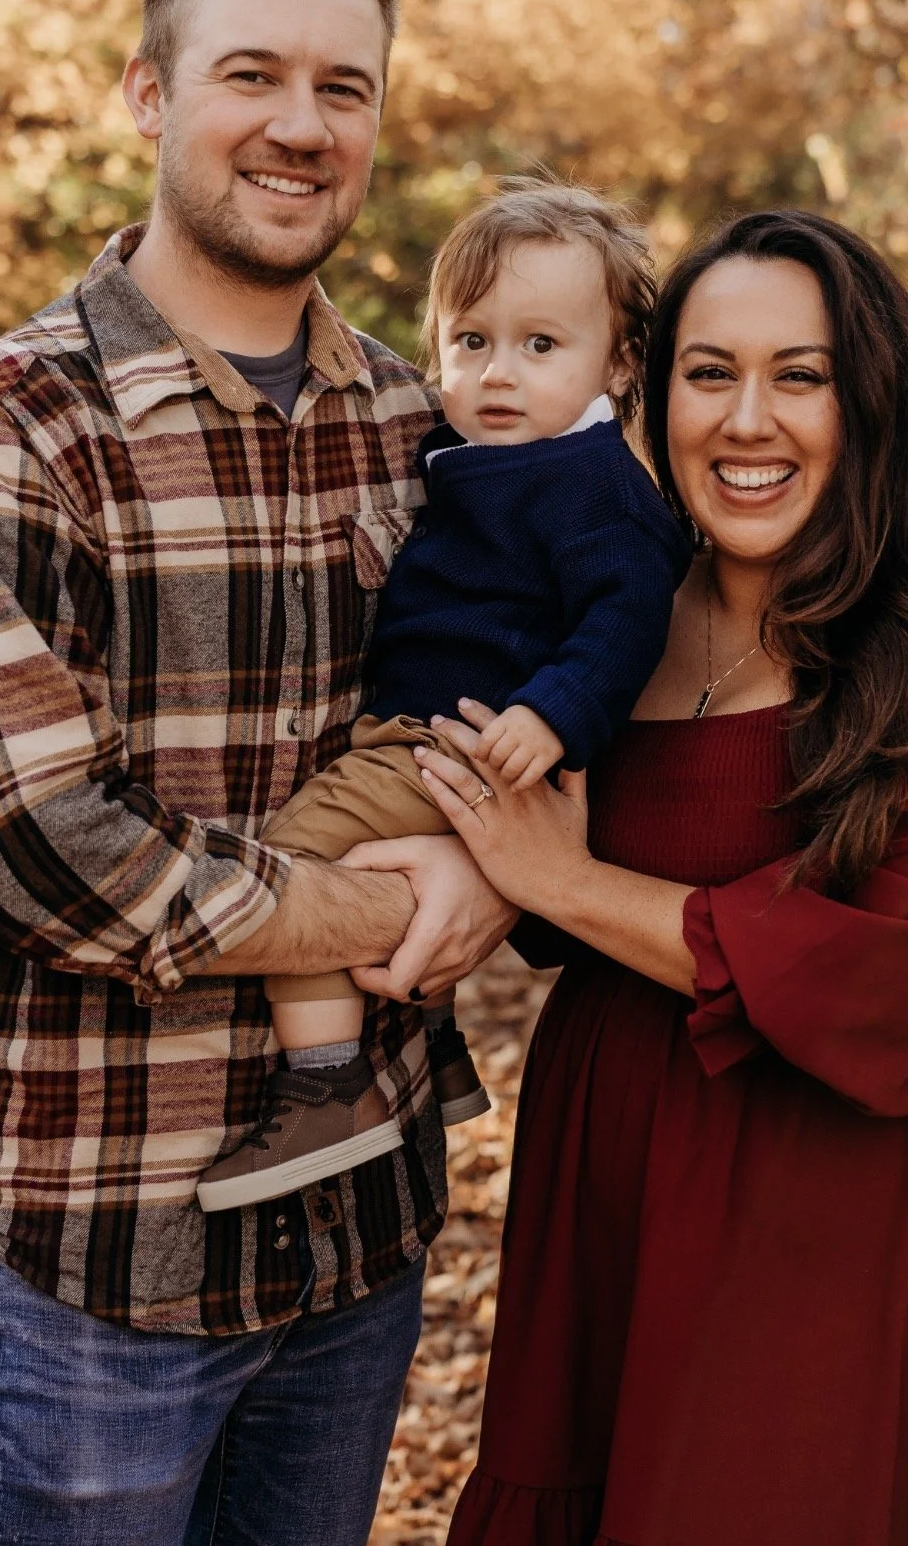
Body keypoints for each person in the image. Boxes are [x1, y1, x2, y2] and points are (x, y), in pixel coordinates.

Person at [0, 0, 514, 1546]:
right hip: (106, 1253)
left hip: (360, 1231)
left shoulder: (421, 424)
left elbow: (517, 698)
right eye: (251, 75)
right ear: (151, 96)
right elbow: (30, 846)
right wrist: (382, 904)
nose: (300, 127)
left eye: (344, 87)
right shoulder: (16, 430)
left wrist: (506, 867)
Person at [377, 208, 908, 1546]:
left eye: (802, 373)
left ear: (872, 397)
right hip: (611, 1147)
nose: (747, 419)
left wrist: (567, 879)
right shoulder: (619, 602)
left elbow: (895, 971)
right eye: (709, 372)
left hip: (846, 1184)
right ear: (648, 390)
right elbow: (493, 857)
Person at [196, 182, 691, 1210]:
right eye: (470, 340)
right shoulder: (477, 455)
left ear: (620, 362)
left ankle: (327, 1084)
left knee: (293, 858)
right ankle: (430, 1044)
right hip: (417, 727)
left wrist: (553, 711)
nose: (496, 371)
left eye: (541, 345)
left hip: (465, 740)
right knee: (367, 862)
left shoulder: (594, 481)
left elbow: (628, 615)